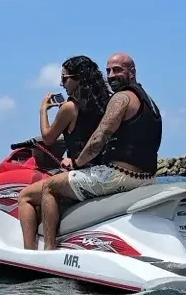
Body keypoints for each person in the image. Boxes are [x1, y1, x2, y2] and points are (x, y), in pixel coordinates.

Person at [28, 51, 163, 253]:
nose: (111, 75)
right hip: (148, 177)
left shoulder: (121, 98)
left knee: (50, 186)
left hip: (121, 176)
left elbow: (98, 139)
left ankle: (48, 251)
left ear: (132, 72)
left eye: (117, 70)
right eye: (108, 71)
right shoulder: (147, 100)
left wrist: (76, 163)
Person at [18, 56, 110, 250]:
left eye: (65, 78)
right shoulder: (106, 103)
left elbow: (48, 138)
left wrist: (43, 110)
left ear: (78, 79)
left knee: (26, 196)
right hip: (104, 169)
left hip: (83, 171)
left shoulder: (70, 108)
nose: (62, 84)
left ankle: (35, 251)